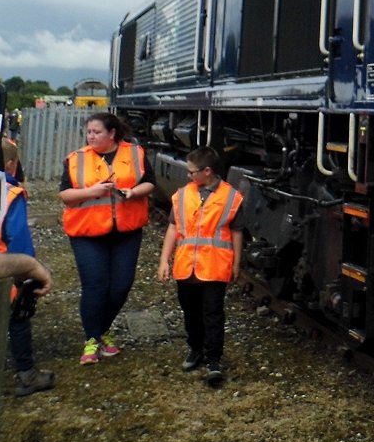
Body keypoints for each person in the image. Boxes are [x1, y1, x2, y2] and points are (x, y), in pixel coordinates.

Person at [59, 112, 155, 365]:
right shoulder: (76, 159)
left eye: (96, 132)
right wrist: (92, 191)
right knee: (95, 286)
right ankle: (92, 340)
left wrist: (132, 192)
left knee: (121, 285)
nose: (90, 136)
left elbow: (150, 184)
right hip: (87, 232)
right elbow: (65, 195)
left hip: (126, 231)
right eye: (88, 132)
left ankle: (100, 330)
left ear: (112, 133)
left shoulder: (135, 153)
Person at [157, 145, 244, 386]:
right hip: (187, 267)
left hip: (215, 267)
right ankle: (195, 348)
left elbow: (236, 232)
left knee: (213, 313)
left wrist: (237, 263)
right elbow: (173, 227)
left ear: (207, 171)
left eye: (191, 171)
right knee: (191, 312)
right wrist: (164, 260)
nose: (188, 175)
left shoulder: (231, 197)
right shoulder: (183, 194)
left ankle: (214, 359)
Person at [0, 138, 56, 396]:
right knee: (18, 320)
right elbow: (19, 242)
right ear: (12, 164)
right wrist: (29, 275)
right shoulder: (11, 194)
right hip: (4, 275)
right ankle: (26, 375)